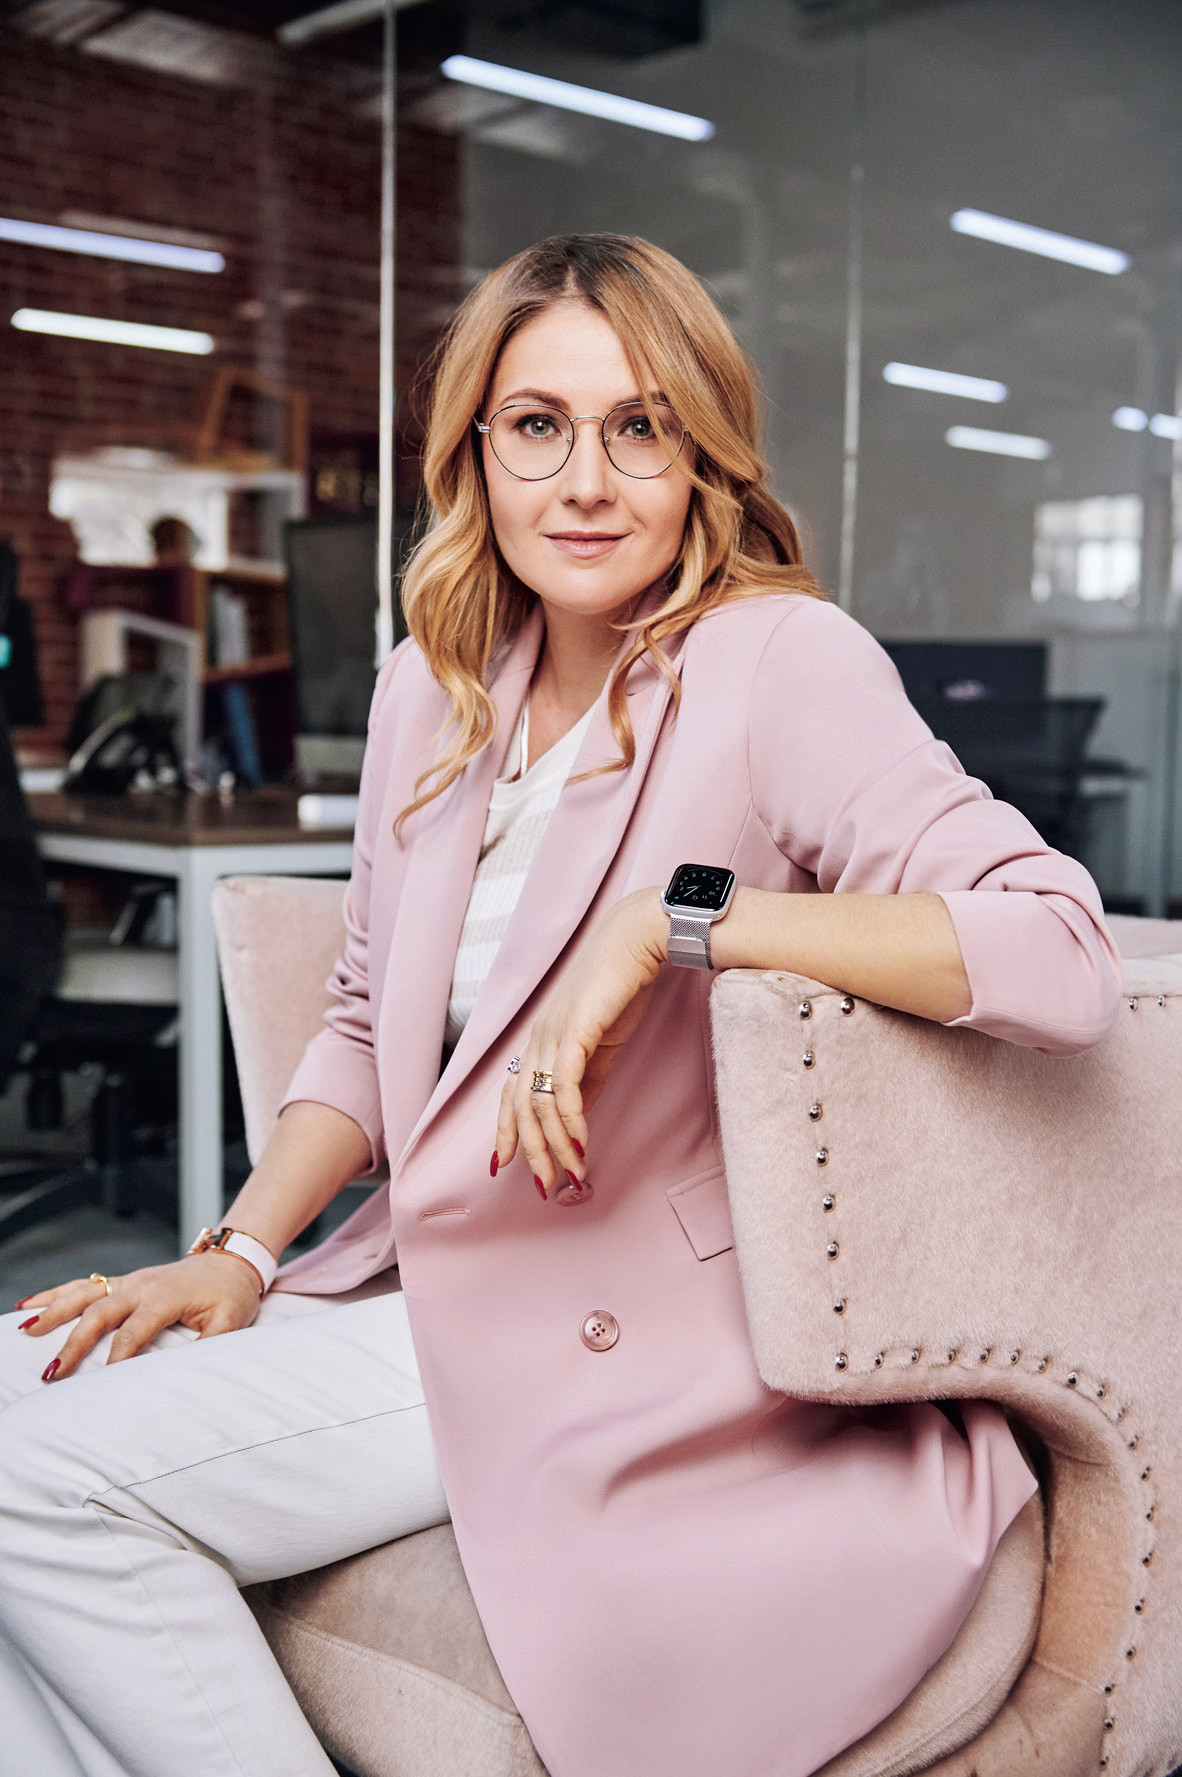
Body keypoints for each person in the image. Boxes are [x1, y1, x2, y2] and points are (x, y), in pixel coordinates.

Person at [0, 234, 1121, 1777]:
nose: (584, 482)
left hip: (622, 1327)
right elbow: (360, 1021)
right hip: (418, 1279)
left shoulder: (776, 662)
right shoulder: (433, 685)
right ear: (476, 449)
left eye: (637, 427)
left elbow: (1056, 948)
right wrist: (241, 1252)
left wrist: (672, 922)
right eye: (536, 425)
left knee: (30, 1483)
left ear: (699, 454)